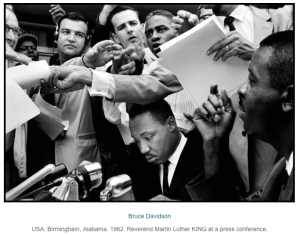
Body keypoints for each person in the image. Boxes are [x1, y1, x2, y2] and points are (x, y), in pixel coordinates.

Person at [172, 4, 293, 194]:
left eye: (251, 80)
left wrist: (254, 51)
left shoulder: (283, 14)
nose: (240, 90)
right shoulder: (280, 177)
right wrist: (212, 143)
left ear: (290, 98)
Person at [128, 100, 204, 201]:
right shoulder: (137, 162)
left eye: (148, 137)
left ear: (171, 124)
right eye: (137, 140)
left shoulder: (206, 156)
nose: (143, 149)